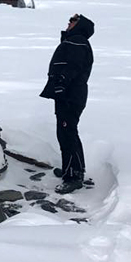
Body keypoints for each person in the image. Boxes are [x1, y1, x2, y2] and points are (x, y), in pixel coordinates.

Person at [40, 13, 95, 194]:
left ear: (80, 26)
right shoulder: (74, 41)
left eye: (73, 21)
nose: (69, 23)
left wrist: (61, 84)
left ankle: (74, 176)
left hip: (70, 95)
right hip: (68, 94)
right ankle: (70, 168)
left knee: (68, 133)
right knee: (65, 132)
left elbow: (72, 66)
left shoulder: (77, 41)